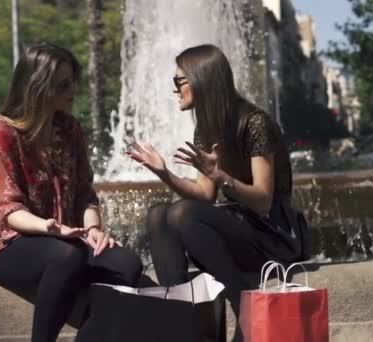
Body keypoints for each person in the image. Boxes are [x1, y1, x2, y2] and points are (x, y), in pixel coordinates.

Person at [127, 44, 307, 340]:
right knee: (159, 215)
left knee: (182, 213)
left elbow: (263, 201)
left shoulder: (254, 123)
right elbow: (204, 193)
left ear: (201, 80)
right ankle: (180, 318)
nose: (175, 90)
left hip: (274, 233)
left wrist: (221, 175)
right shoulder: (206, 129)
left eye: (179, 81)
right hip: (241, 228)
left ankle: (244, 308)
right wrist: (164, 173)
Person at [0, 43, 142, 342]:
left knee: (128, 266)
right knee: (67, 256)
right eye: (63, 85)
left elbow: (84, 193)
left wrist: (93, 229)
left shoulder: (69, 129)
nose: (72, 92)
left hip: (67, 240)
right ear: (38, 87)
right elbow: (9, 211)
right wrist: (49, 227)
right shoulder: (3, 133)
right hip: (9, 243)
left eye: (72, 83)